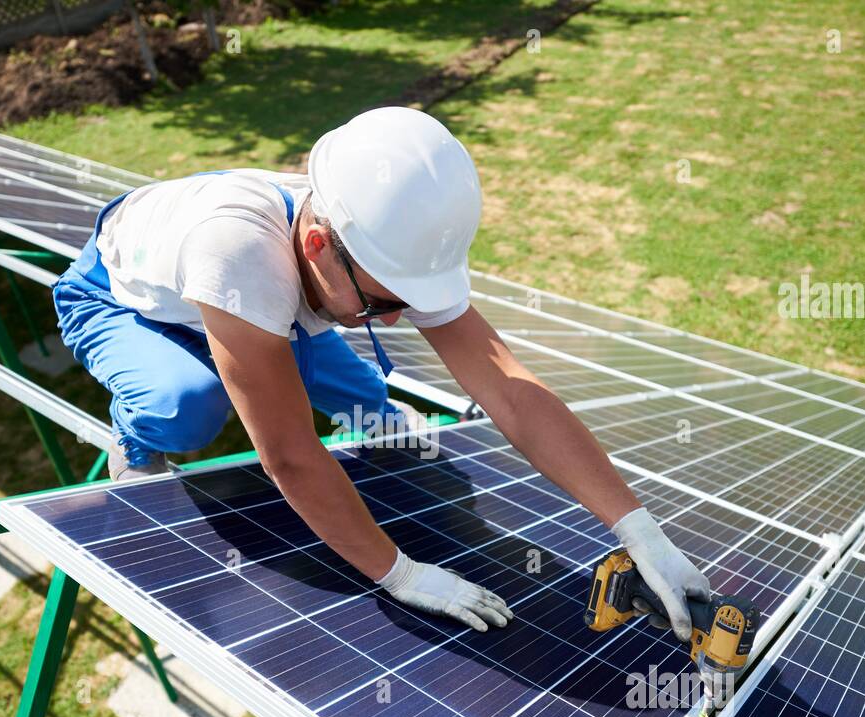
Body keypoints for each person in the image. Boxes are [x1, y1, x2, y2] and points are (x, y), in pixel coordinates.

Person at [53, 107, 711, 638]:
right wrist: (398, 572)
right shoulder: (240, 260)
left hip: (253, 289)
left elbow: (508, 389)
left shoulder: (363, 241)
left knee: (368, 403)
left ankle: (256, 353)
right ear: (317, 246)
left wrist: (640, 531)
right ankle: (134, 439)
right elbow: (289, 455)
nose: (396, 322)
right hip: (119, 293)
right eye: (382, 303)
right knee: (188, 402)